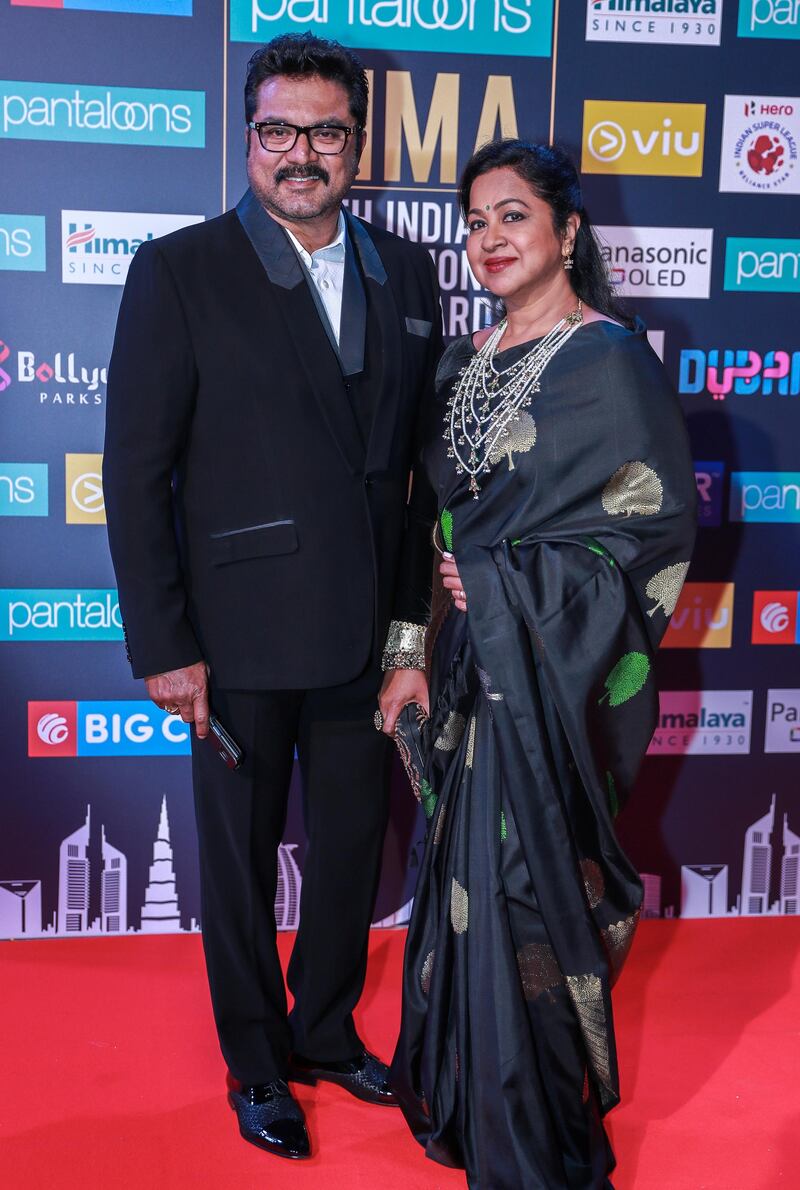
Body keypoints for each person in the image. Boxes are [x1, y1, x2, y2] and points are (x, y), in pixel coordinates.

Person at [103, 32, 440, 1162]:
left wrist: (409, 637)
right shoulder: (180, 269)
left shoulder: (407, 271)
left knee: (350, 850)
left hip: (361, 637)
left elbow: (410, 478)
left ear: (358, 143)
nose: (302, 153)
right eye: (278, 131)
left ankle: (325, 1028)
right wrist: (164, 641)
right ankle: (256, 1063)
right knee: (239, 863)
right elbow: (137, 468)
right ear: (247, 138)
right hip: (233, 639)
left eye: (326, 132)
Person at [383, 139, 697, 1189]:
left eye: (511, 217)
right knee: (470, 891)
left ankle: (538, 1152)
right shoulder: (466, 361)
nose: (488, 239)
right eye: (474, 222)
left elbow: (646, 539)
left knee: (525, 896)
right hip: (470, 674)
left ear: (565, 232)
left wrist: (514, 584)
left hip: (549, 687)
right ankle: (489, 1118)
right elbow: (431, 530)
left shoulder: (608, 362)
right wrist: (411, 651)